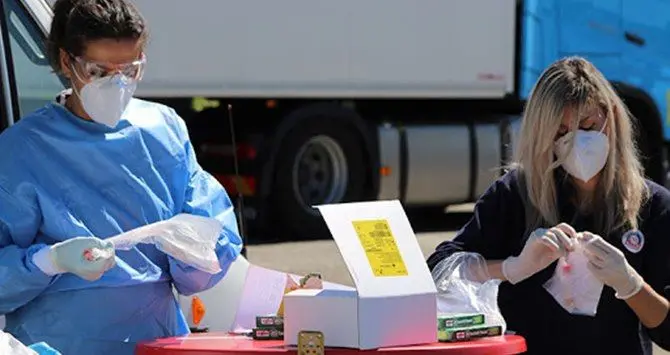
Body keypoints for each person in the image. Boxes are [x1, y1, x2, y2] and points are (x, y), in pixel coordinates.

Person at [0, 0, 243, 354]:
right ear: (68, 62)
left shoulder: (165, 131)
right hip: (59, 342)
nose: (116, 85)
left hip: (158, 340)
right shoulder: (22, 149)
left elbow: (215, 247)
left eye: (128, 71)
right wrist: (48, 260)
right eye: (99, 72)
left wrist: (193, 250)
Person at [427, 57, 670, 355]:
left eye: (588, 125)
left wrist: (632, 285)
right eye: (560, 133)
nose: (576, 141)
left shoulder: (653, 206)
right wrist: (512, 267)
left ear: (612, 117)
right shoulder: (516, 194)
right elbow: (440, 272)